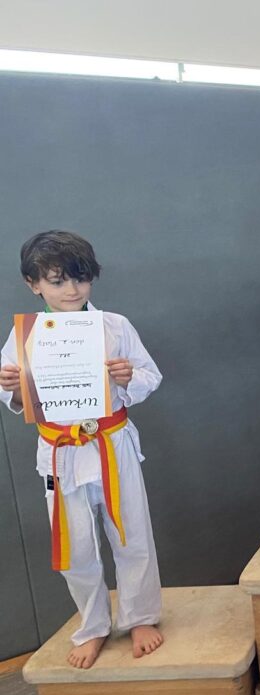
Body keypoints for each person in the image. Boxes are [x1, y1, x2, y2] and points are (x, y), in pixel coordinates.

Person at [0, 231, 163, 669]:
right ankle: (92, 625)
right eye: (57, 281)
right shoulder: (24, 336)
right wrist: (11, 387)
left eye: (80, 278)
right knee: (76, 547)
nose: (71, 290)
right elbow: (17, 399)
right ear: (34, 284)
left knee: (132, 534)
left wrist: (129, 377)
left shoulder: (115, 326)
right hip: (61, 451)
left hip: (111, 442)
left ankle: (140, 617)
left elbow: (151, 377)